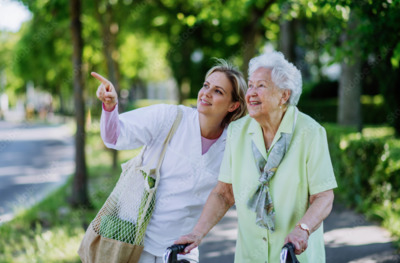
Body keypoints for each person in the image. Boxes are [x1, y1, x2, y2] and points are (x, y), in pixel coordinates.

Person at [175, 51, 338, 262]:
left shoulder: (310, 133)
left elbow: (323, 196)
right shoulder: (237, 131)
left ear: (284, 95)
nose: (251, 92)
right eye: (250, 85)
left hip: (294, 255)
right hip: (250, 256)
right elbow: (225, 193)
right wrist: (197, 233)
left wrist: (303, 229)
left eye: (261, 86)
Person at [92, 60, 247, 263]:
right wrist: (110, 106)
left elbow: (227, 193)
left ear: (233, 105)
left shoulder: (233, 144)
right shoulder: (170, 117)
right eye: (206, 85)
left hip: (183, 248)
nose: (206, 93)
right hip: (136, 241)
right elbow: (114, 137)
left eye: (218, 91)